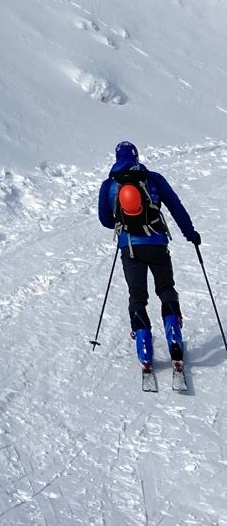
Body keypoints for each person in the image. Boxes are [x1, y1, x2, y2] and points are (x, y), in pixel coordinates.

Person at [98, 140, 201, 370]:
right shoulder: (153, 178)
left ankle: (144, 351)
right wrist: (190, 233)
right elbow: (176, 206)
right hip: (157, 244)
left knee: (137, 296)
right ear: (136, 155)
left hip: (129, 248)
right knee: (166, 289)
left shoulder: (109, 185)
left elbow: (105, 220)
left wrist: (124, 221)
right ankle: (174, 337)